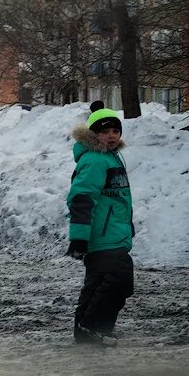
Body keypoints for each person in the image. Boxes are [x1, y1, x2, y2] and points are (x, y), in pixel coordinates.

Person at [65, 101, 134, 347]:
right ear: (94, 135)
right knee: (120, 280)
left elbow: (115, 200)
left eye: (115, 131)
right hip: (103, 236)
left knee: (96, 284)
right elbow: (82, 198)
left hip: (110, 234)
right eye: (105, 131)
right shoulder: (95, 160)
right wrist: (79, 236)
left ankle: (85, 330)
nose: (111, 135)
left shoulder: (111, 158)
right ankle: (94, 327)